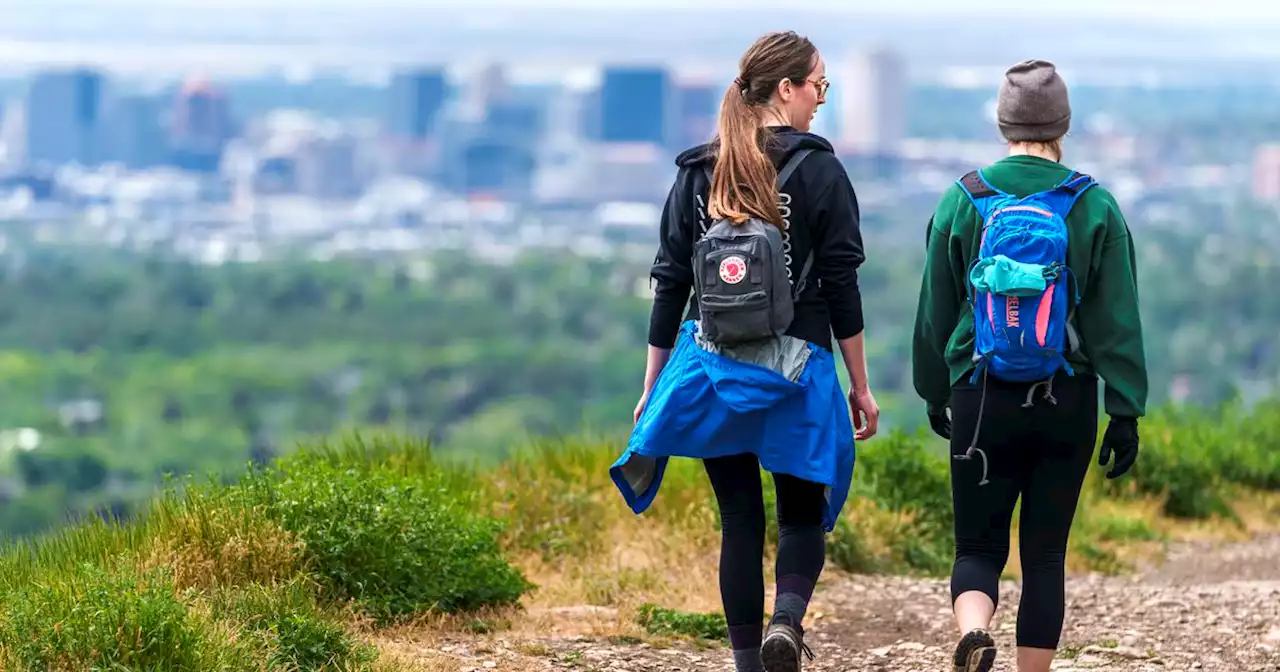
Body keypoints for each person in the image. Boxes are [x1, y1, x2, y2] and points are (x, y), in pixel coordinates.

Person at [607, 30, 879, 672]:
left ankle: (747, 663)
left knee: (738, 520)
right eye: (819, 85)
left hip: (712, 373)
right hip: (799, 373)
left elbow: (669, 282)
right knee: (801, 517)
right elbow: (842, 284)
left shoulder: (698, 170)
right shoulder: (821, 170)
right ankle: (786, 621)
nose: (821, 99)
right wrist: (859, 384)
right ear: (786, 90)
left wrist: (653, 383)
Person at [910, 59, 1147, 672]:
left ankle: (972, 631)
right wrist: (1124, 410)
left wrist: (936, 390)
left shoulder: (964, 199)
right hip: (1065, 396)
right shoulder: (1092, 205)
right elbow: (1115, 320)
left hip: (980, 395)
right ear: (1063, 122)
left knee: (977, 545)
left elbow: (936, 311)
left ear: (1002, 122)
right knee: (1044, 556)